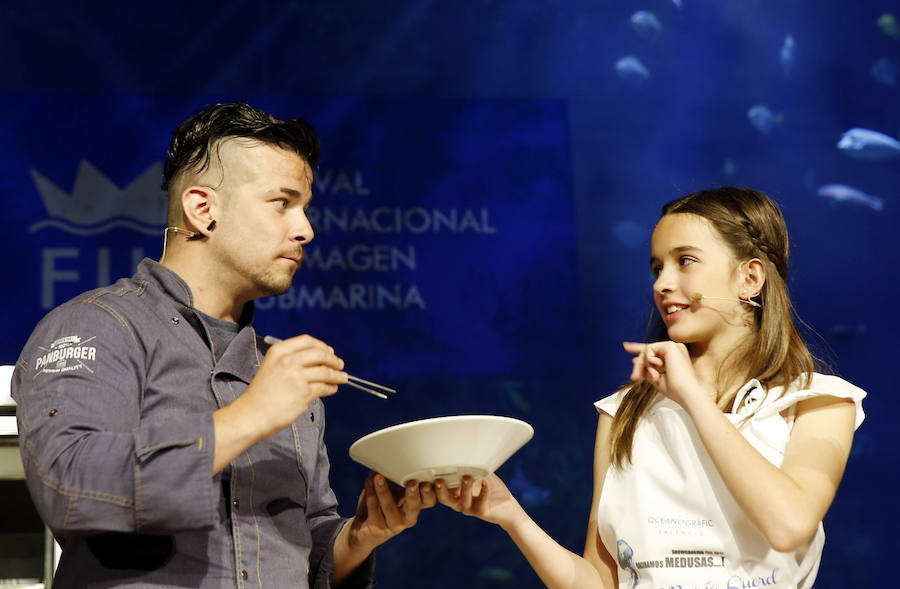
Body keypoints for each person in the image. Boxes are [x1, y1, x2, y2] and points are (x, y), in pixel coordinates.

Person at [12, 102, 435, 588]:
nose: (306, 230)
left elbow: (303, 554)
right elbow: (70, 488)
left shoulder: (276, 369)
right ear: (203, 209)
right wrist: (251, 415)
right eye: (282, 202)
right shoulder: (98, 326)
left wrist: (361, 535)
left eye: (305, 208)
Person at [435, 187, 865, 589]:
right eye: (658, 267)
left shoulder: (819, 402)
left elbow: (788, 526)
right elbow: (601, 580)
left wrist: (694, 398)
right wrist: (512, 516)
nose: (662, 283)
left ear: (749, 278)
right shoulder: (623, 412)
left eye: (686, 261)